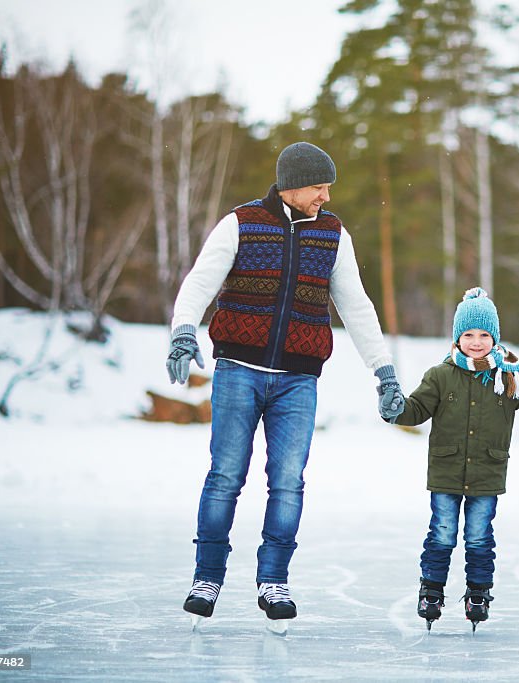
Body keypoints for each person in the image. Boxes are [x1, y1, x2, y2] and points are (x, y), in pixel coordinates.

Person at [165, 142, 405, 629]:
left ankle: (273, 580)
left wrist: (384, 371)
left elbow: (356, 306)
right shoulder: (242, 223)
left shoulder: (333, 236)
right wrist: (184, 330)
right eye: (319, 186)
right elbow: (199, 282)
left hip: (298, 379)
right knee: (225, 476)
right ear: (293, 183)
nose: (326, 196)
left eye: (328, 187)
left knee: (288, 483)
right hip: (238, 371)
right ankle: (206, 577)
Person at [390, 287, 519, 631]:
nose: (476, 341)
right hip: (447, 471)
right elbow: (416, 409)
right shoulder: (440, 375)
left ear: (495, 338)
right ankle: (431, 589)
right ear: (457, 337)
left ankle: (478, 592)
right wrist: (394, 408)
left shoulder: (507, 376)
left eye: (484, 334)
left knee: (480, 536)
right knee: (442, 533)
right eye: (468, 334)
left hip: (487, 472)